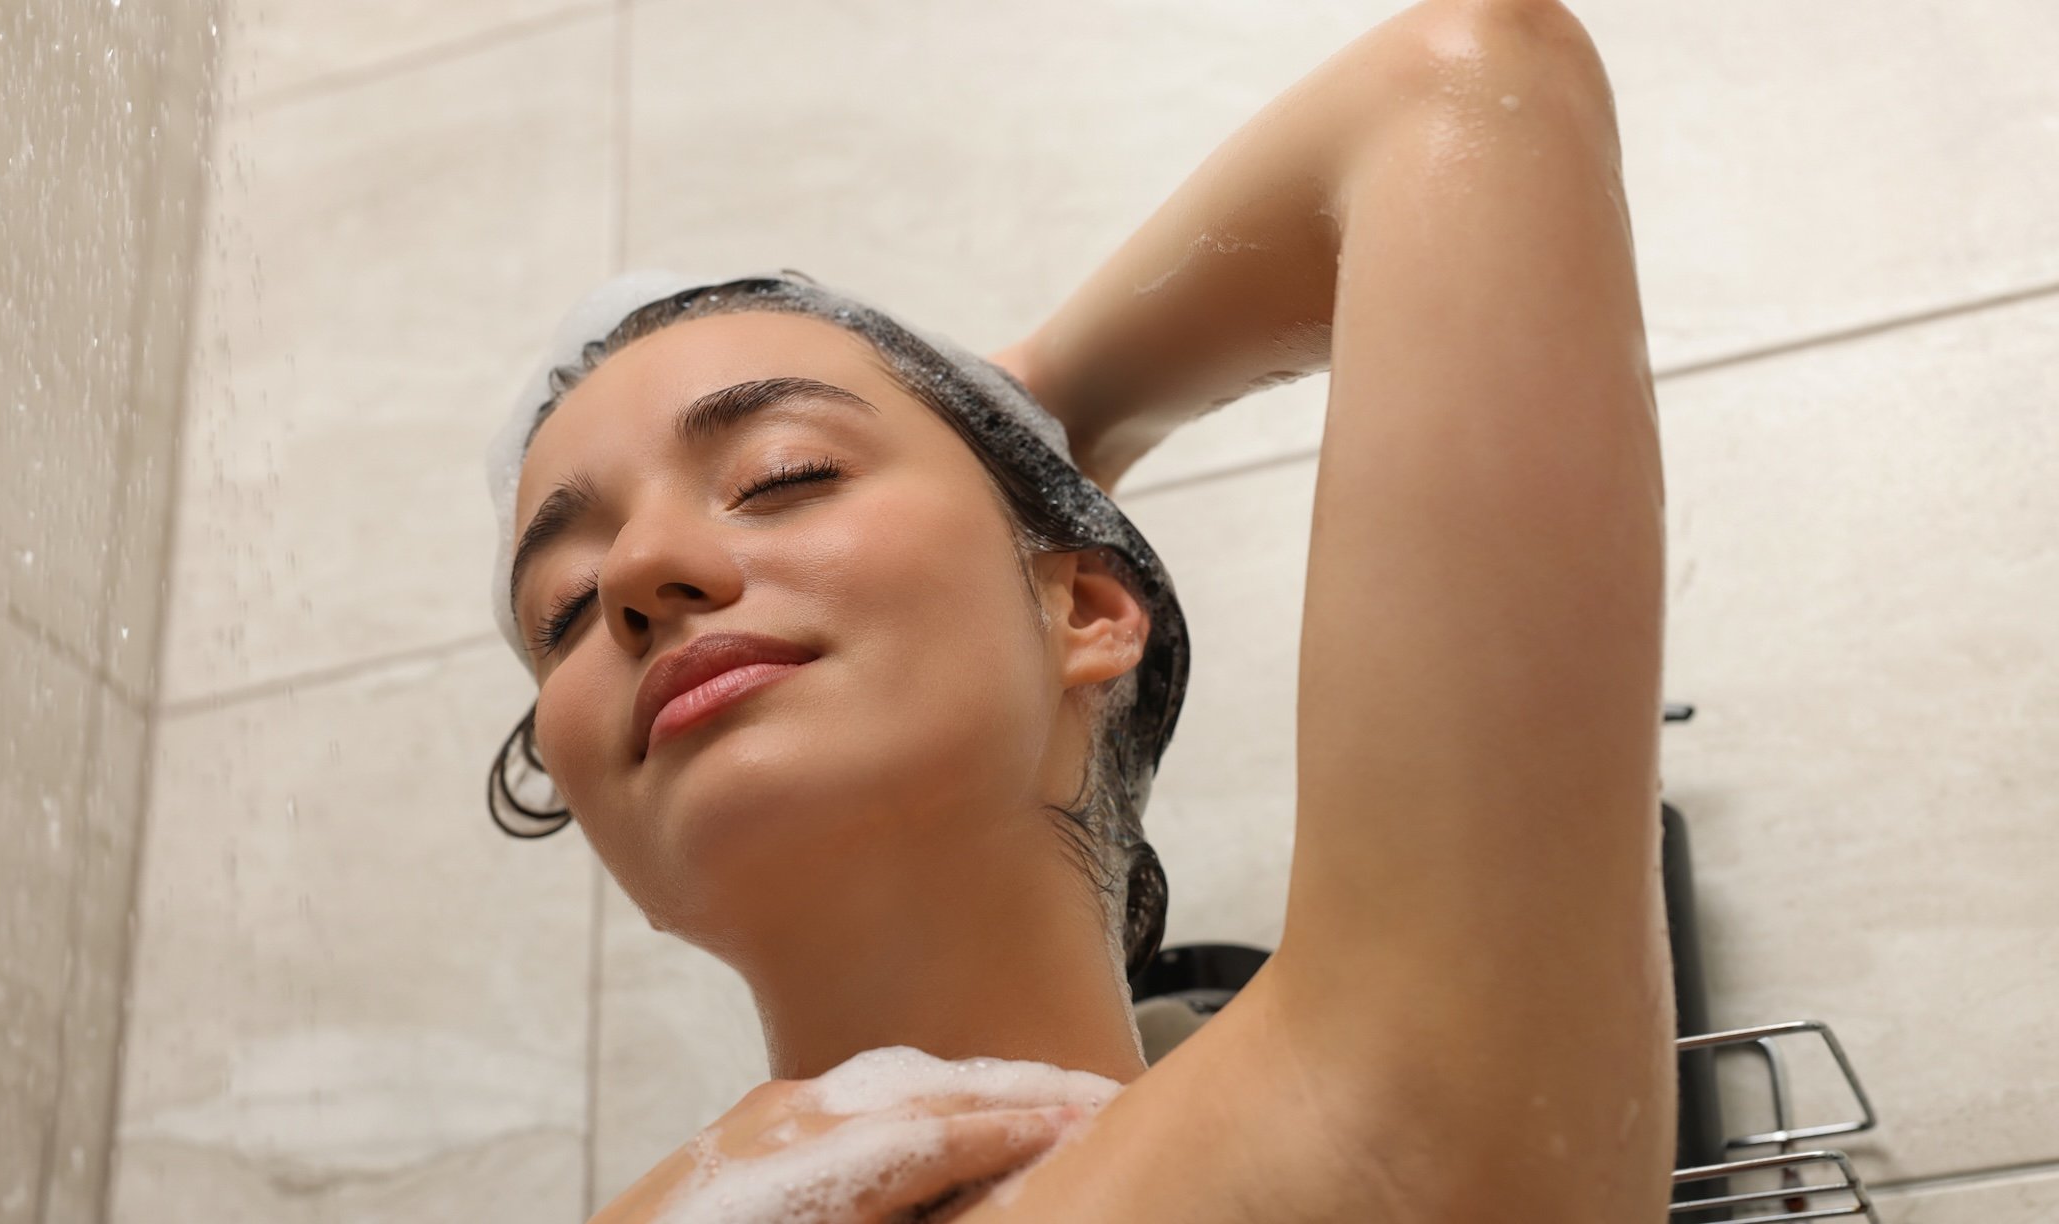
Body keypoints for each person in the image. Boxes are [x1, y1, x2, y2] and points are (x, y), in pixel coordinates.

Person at [490, 0, 1672, 1218]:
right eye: (566, 608)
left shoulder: (1340, 1145)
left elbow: (1468, 79)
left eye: (786, 473)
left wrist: (1037, 417)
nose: (635, 572)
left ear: (1091, 610)